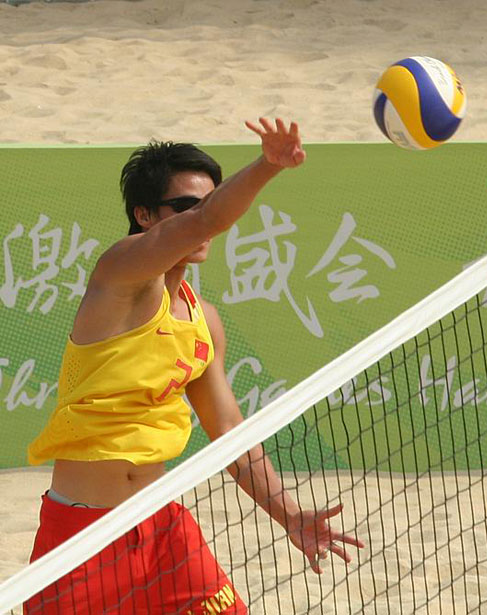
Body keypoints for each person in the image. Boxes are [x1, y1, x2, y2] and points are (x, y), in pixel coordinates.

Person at [25, 118, 364, 615]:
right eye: (185, 205)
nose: (202, 215)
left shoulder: (203, 320)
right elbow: (208, 220)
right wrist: (267, 166)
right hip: (81, 534)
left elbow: (227, 430)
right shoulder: (119, 273)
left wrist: (289, 515)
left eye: (209, 199)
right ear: (144, 215)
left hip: (162, 529)